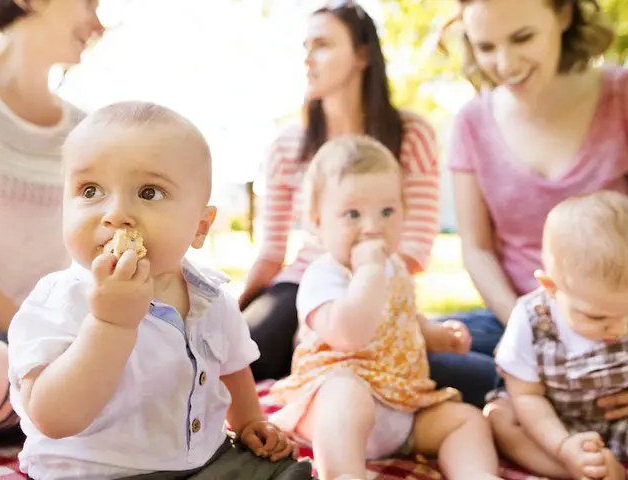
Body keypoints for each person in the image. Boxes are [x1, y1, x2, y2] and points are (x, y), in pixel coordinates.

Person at [6, 101, 313, 480]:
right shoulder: (60, 301)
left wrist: (250, 421)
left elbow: (232, 368)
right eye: (90, 190)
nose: (116, 213)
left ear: (200, 226)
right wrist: (109, 326)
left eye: (149, 192)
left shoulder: (210, 297)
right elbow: (52, 418)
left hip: (202, 460)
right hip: (95, 472)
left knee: (282, 471)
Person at [240, 0, 498, 407]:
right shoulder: (287, 146)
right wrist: (237, 311)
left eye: (322, 44)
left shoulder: (412, 134)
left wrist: (368, 291)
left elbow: (414, 247)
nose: (307, 58)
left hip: (382, 284)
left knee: (477, 379)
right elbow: (272, 252)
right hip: (304, 284)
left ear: (362, 55)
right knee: (245, 350)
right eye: (305, 46)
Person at [268, 136, 501, 480]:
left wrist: (436, 336)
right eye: (352, 214)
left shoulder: (395, 270)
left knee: (465, 419)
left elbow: (402, 320)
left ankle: (477, 475)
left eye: (387, 211)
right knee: (346, 393)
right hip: (333, 404)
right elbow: (350, 334)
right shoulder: (324, 275)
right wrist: (368, 272)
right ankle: (345, 474)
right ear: (317, 222)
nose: (373, 227)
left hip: (401, 406)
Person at [444, 0, 628, 403]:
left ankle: (531, 401)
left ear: (563, 14)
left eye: (522, 37)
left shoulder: (621, 96)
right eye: (486, 47)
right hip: (511, 320)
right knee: (398, 351)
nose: (505, 63)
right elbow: (476, 248)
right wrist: (524, 339)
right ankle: (536, 396)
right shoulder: (472, 123)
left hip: (615, 319)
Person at [0, 0, 103, 444]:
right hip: (20, 347)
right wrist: (36, 332)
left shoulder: (85, 131)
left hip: (54, 348)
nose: (97, 23)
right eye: (89, 3)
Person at [488, 191, 628, 480]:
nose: (620, 327)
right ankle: (580, 471)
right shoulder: (530, 320)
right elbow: (526, 396)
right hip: (553, 422)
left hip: (621, 420)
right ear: (550, 287)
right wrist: (562, 446)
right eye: (597, 316)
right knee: (501, 416)